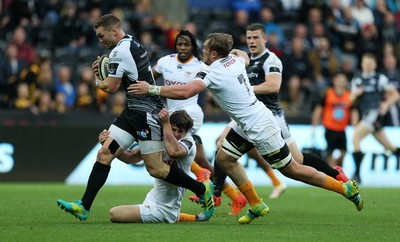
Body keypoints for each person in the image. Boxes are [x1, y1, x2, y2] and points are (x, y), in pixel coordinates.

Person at [128, 32, 364, 224]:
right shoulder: (236, 60)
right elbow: (244, 56)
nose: (201, 52)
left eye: (205, 49)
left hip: (259, 125)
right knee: (223, 158)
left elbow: (186, 91)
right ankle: (256, 203)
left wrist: (151, 88)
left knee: (292, 169)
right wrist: (234, 50)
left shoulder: (213, 71)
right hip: (246, 122)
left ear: (213, 53)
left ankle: (345, 188)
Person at [56, 14, 214, 221]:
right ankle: (83, 206)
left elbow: (111, 87)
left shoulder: (120, 51)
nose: (100, 39)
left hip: (146, 113)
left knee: (156, 169)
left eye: (101, 35)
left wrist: (97, 80)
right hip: (131, 112)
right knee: (104, 153)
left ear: (114, 31)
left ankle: (202, 190)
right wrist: (106, 75)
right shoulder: (131, 42)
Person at [214, 24, 351, 201]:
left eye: (255, 37)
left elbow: (273, 86)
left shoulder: (271, 60)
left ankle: (335, 173)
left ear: (265, 39)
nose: (251, 41)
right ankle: (217, 194)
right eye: (248, 38)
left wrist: (246, 89)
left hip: (271, 115)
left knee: (297, 160)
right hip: (248, 113)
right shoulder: (245, 60)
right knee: (220, 146)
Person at [151, 30, 251, 214]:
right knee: (201, 159)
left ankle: (201, 177)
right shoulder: (165, 61)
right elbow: (149, 76)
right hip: (171, 115)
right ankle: (235, 196)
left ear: (193, 47)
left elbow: (184, 91)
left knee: (175, 151)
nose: (182, 48)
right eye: (179, 44)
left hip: (189, 115)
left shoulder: (201, 65)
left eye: (186, 44)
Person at [103, 109, 209, 223]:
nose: (176, 134)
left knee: (114, 214)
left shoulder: (188, 142)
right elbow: (130, 157)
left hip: (165, 208)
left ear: (186, 132)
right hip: (152, 200)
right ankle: (190, 218)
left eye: (180, 131)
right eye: (173, 129)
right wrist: (108, 146)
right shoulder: (160, 141)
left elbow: (174, 152)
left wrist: (165, 124)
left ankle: (173, 215)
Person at [350, 52, 400, 183]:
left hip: (375, 114)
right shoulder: (357, 79)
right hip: (365, 115)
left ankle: (357, 174)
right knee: (389, 147)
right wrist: (355, 94)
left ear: (375, 65)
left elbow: (395, 94)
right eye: (366, 63)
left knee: (355, 138)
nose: (368, 65)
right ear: (362, 64)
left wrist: (386, 104)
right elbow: (350, 100)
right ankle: (357, 174)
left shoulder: (380, 78)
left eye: (370, 63)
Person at [312, 73, 353, 168]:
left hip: (342, 129)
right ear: (334, 81)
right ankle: (334, 174)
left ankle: (337, 167)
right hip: (329, 128)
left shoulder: (349, 95)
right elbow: (318, 109)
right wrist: (314, 126)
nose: (340, 83)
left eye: (343, 81)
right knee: (329, 152)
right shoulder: (327, 93)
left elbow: (353, 110)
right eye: (338, 80)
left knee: (343, 152)